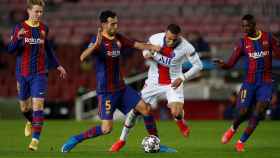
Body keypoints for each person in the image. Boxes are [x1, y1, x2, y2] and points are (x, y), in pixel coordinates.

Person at [61, 10, 172, 153]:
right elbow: (83, 57)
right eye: (112, 24)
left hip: (121, 88)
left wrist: (152, 47)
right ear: (103, 24)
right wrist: (95, 46)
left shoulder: (118, 38)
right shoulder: (98, 41)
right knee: (106, 129)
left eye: (116, 23)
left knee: (146, 109)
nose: (115, 26)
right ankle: (76, 139)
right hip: (107, 92)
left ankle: (155, 142)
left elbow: (136, 45)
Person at [110, 24, 203, 152]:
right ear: (165, 33)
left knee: (176, 112)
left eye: (173, 40)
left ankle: (180, 121)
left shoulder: (186, 47)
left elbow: (198, 66)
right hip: (153, 82)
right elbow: (144, 52)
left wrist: (183, 77)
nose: (170, 42)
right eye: (168, 38)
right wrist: (148, 53)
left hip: (173, 81)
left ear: (179, 37)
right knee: (136, 110)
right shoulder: (155, 39)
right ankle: (121, 140)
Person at [6, 0, 67, 151]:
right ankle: (29, 121)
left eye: (41, 12)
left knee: (38, 106)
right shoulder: (19, 27)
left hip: (40, 73)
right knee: (25, 108)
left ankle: (35, 141)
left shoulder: (44, 29)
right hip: (22, 73)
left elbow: (49, 49)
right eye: (36, 11)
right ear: (28, 11)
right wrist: (17, 38)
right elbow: (11, 50)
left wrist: (58, 65)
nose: (39, 14)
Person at [213, 14, 280, 152]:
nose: (245, 28)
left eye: (247, 25)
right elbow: (231, 63)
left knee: (259, 111)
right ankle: (233, 128)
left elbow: (279, 54)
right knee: (243, 112)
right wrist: (223, 64)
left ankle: (240, 142)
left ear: (254, 25)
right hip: (249, 83)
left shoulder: (268, 38)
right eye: (243, 26)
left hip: (266, 83)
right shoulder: (242, 43)